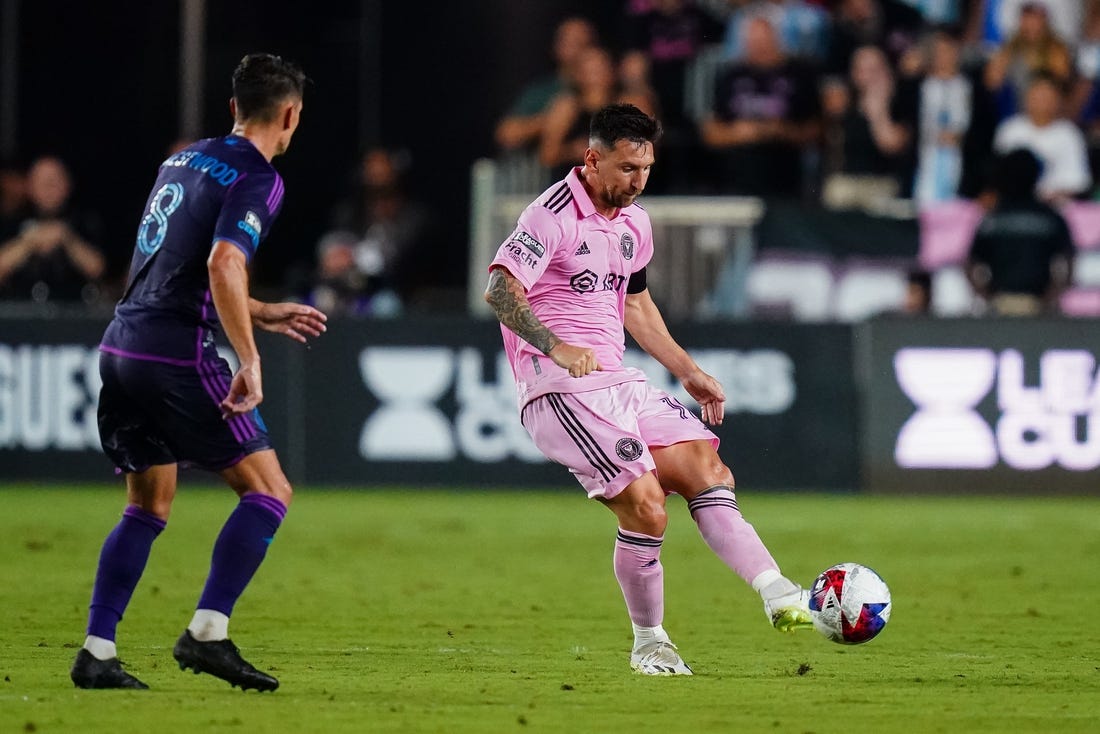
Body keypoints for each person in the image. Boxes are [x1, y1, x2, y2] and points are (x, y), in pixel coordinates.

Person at [484, 103, 812, 677]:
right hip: (560, 390)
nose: (637, 182)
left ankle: (779, 591)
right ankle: (650, 642)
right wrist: (554, 344)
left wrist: (686, 368)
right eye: (627, 169)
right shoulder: (550, 215)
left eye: (647, 169)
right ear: (592, 158)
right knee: (647, 507)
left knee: (706, 472)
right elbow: (500, 289)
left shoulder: (636, 223)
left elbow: (634, 304)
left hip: (618, 381)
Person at [69, 54, 327, 692]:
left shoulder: (181, 159)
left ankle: (96, 651)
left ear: (233, 107)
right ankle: (207, 633)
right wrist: (250, 356)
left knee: (147, 505)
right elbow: (221, 263)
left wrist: (256, 311)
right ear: (290, 115)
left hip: (123, 344)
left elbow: (172, 265)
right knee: (269, 491)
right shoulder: (259, 177)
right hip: (175, 352)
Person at [701, 16, 821, 197]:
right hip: (737, 178)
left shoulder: (800, 74)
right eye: (753, 42)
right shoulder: (731, 76)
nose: (758, 48)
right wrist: (742, 133)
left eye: (763, 41)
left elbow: (818, 130)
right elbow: (710, 133)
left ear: (776, 40)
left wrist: (782, 131)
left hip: (785, 177)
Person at [967, 148, 1074, 315]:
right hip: (1035, 304)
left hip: (1006, 303)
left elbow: (970, 262)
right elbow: (1068, 259)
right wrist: (1052, 295)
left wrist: (986, 294)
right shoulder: (1050, 217)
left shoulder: (993, 219)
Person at [0, 155, 106, 303]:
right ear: (30, 186)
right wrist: (29, 242)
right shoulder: (12, 221)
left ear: (68, 184)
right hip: (20, 312)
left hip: (73, 313)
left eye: (55, 181)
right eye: (43, 182)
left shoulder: (84, 221)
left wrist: (66, 239)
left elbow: (98, 269)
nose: (49, 188)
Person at [494, 17, 597, 153]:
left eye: (583, 43)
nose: (577, 50)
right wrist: (552, 120)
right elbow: (506, 134)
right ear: (557, 47)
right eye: (570, 42)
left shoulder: (613, 87)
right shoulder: (545, 90)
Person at [992, 72, 1092, 202]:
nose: (1042, 102)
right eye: (1037, 96)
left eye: (1047, 97)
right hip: (1015, 204)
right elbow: (998, 179)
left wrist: (1048, 198)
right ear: (1026, 98)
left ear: (1058, 100)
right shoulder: (1009, 130)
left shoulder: (1069, 133)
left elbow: (1078, 182)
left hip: (1057, 207)